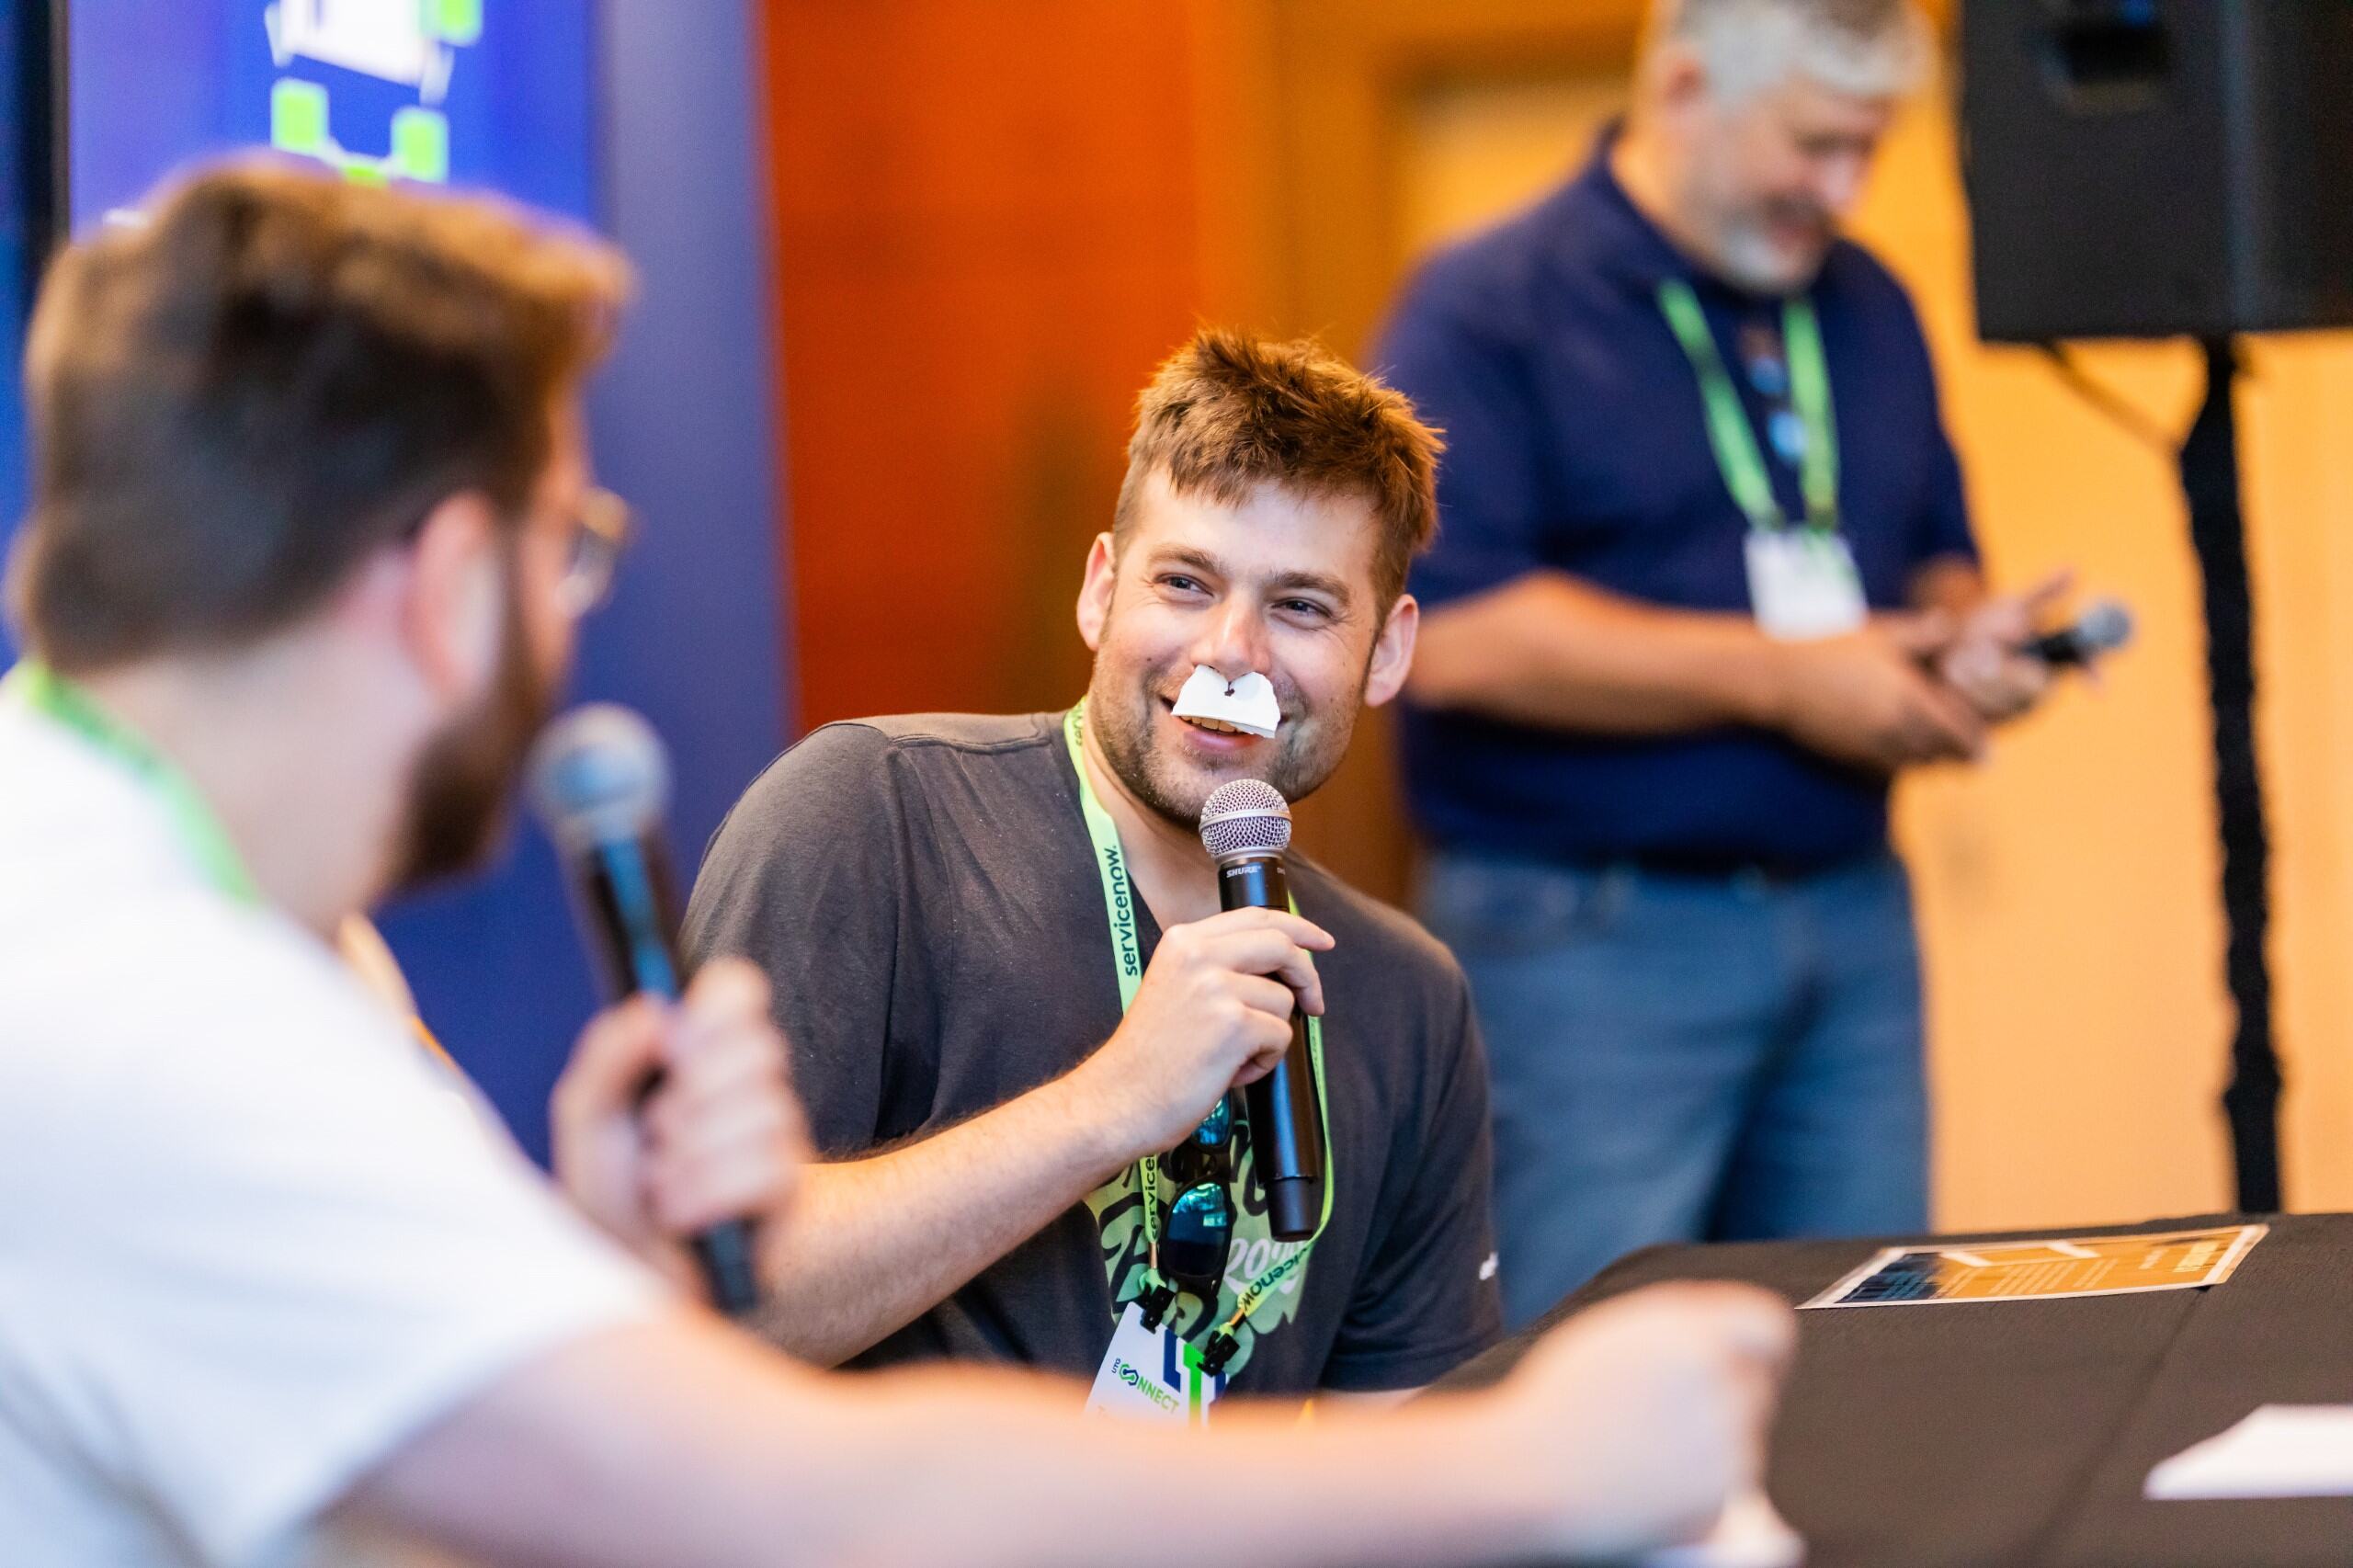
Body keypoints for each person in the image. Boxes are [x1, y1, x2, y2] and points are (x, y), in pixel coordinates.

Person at [0, 160, 1794, 1568]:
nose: (568, 625)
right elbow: (771, 1506)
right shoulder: (140, 1007)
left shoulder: (207, 915)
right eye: (573, 552)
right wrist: (1527, 1462)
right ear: (445, 576)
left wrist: (616, 1261)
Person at [1373, 0, 2071, 1327]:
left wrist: (1966, 643)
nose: (1846, 189)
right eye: (1816, 145)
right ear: (1684, 84)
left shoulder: (1868, 304)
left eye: (1870, 148)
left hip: (1850, 915)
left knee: (1875, 1346)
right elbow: (1449, 635)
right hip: (1589, 938)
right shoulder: (1486, 304)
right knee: (1588, 1352)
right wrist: (1790, 675)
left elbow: (1931, 557)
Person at [684, 329, 1518, 1405]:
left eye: (1301, 605)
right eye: (1185, 582)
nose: (1232, 653)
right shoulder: (873, 812)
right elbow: (713, 1312)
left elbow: (1407, 1470)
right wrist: (1113, 1101)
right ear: (1100, 591)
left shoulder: (1408, 995)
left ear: (1389, 651)